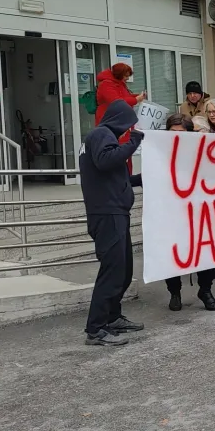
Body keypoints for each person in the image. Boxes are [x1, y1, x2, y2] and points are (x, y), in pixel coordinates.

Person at [80, 99, 145, 346]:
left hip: (114, 212)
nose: (130, 129)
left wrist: (141, 179)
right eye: (129, 124)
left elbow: (115, 174)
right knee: (112, 272)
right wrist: (133, 142)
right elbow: (107, 161)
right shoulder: (101, 135)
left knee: (124, 269)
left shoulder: (104, 137)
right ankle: (95, 328)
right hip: (107, 215)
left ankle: (113, 316)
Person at [162, 113, 215, 312]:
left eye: (181, 132)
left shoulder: (201, 152)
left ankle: (205, 289)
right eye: (172, 132)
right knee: (172, 253)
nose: (176, 136)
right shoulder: (160, 152)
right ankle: (174, 292)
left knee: (207, 252)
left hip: (198, 211)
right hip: (172, 211)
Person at [94, 63, 144, 174]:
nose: (127, 78)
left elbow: (123, 98)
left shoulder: (118, 83)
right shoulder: (106, 85)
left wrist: (137, 96)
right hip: (111, 123)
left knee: (125, 151)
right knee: (116, 150)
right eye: (126, 76)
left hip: (120, 123)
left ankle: (126, 178)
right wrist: (136, 100)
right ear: (119, 74)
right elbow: (117, 101)